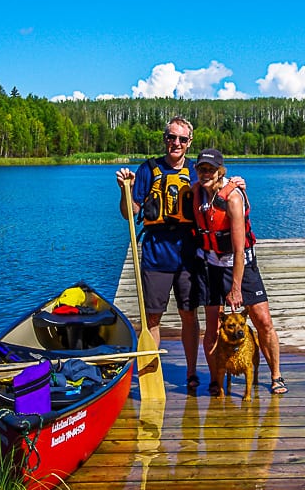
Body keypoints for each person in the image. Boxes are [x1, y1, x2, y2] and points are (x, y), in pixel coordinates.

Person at [116, 116, 202, 392]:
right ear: (165, 139)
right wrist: (124, 191)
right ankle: (150, 376)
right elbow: (130, 213)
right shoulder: (147, 170)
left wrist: (235, 187)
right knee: (152, 318)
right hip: (156, 252)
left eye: (181, 139)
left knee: (188, 313)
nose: (175, 143)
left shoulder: (197, 171)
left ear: (189, 143)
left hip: (188, 253)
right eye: (171, 137)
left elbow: (215, 201)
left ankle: (191, 372)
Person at [191, 148, 288, 395]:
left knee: (263, 321)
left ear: (220, 171)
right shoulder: (196, 192)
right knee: (212, 327)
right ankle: (215, 380)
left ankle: (276, 376)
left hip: (241, 266)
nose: (205, 174)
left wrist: (235, 289)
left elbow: (238, 250)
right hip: (211, 266)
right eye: (201, 169)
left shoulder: (232, 197)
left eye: (211, 170)